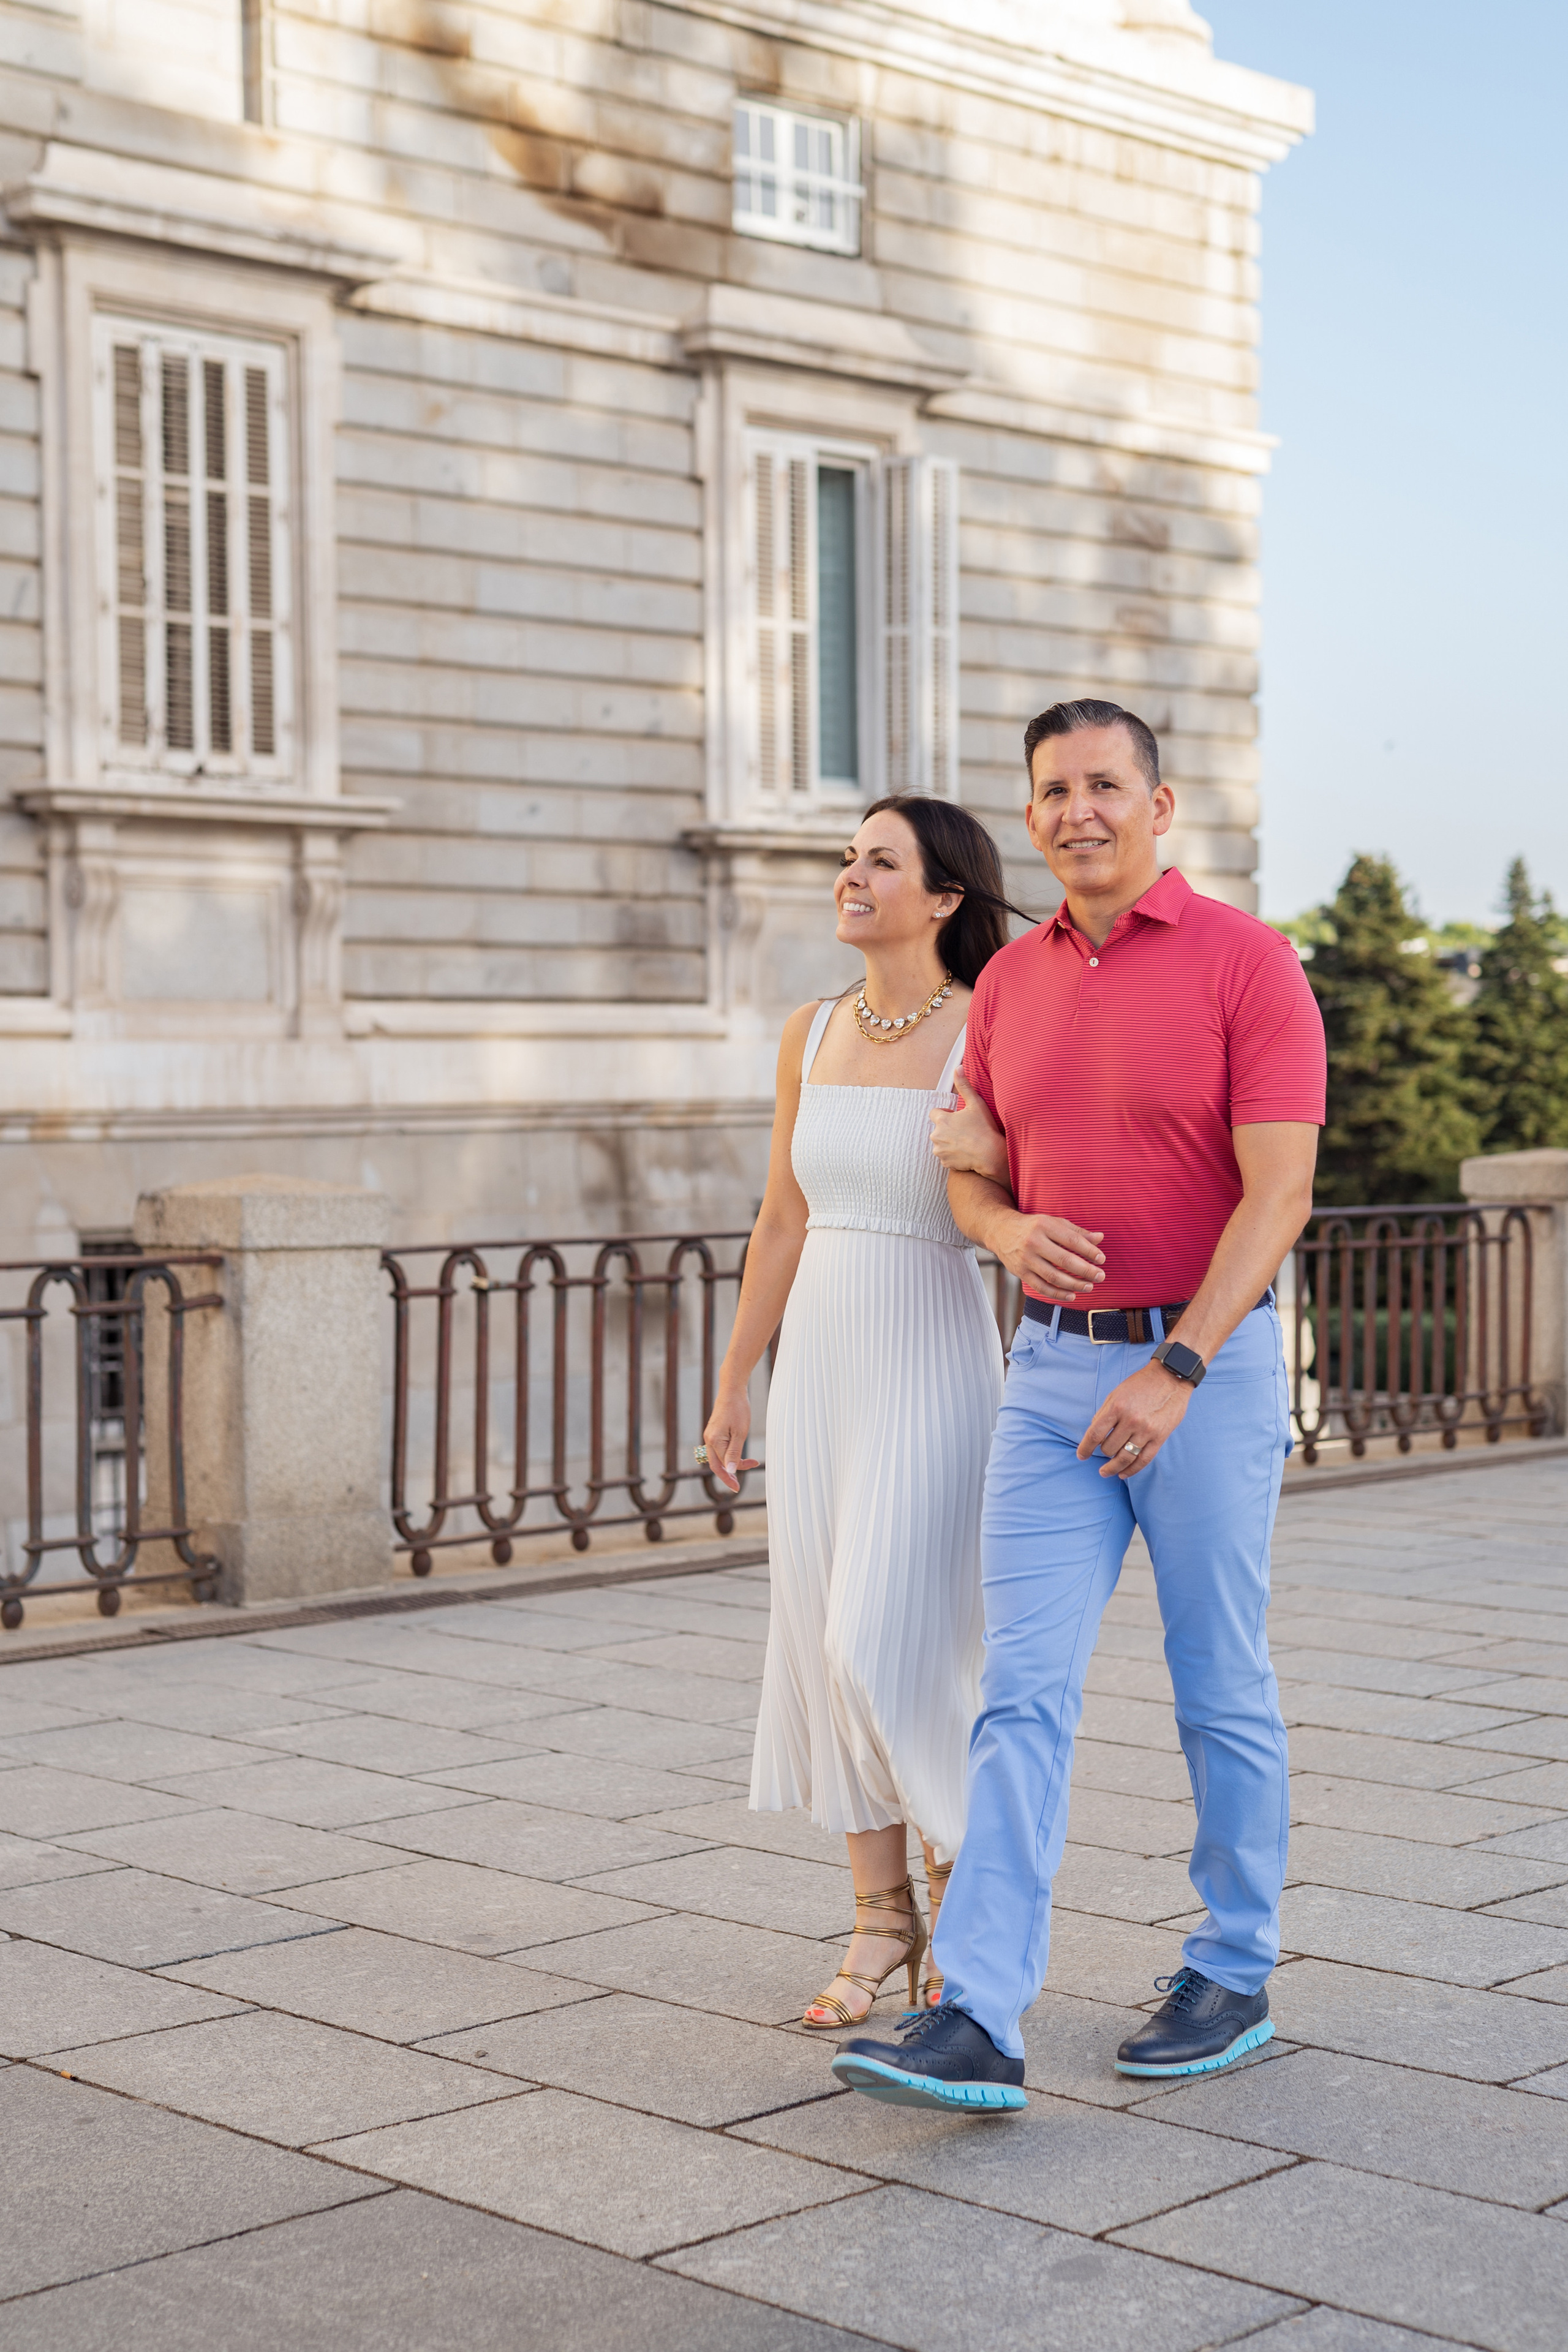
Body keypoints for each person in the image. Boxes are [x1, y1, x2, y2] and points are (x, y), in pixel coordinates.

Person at [832, 699, 1325, 2110]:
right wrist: (997, 1234)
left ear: (1157, 808)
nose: (1076, 812)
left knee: (1216, 1681)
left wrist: (1175, 1367)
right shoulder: (1009, 986)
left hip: (1204, 1373)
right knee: (1017, 1697)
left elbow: (1276, 1193)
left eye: (1103, 785)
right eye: (1051, 792)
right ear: (1033, 814)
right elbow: (967, 1172)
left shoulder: (1248, 964)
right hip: (1048, 1371)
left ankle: (1231, 1966)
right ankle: (978, 2012)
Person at [701, 794, 1016, 2028]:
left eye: (877, 860)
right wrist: (734, 1381)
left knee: (888, 1641)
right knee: (823, 1641)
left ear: (942, 896)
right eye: (847, 857)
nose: (849, 874)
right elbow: (780, 1218)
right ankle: (884, 1923)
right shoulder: (811, 1028)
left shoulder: (985, 1024)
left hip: (930, 1351)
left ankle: (970, 1910)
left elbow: (1016, 1184)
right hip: (819, 1362)